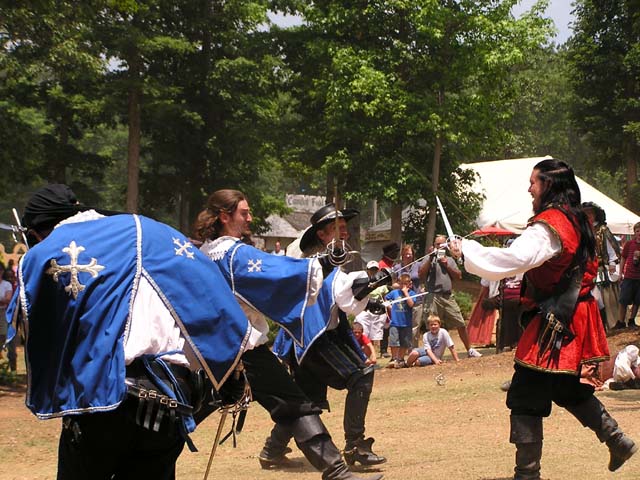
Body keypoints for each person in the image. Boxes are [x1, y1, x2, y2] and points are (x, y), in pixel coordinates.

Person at [5, 184, 251, 480]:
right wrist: (229, 372)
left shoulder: (48, 250)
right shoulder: (152, 231)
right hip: (167, 401)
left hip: (100, 403)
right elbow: (212, 295)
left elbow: (33, 329)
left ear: (36, 232)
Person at [450, 159, 637, 479]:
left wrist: (466, 250)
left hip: (557, 319)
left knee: (524, 396)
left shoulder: (552, 224)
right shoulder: (575, 219)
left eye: (533, 182)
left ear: (548, 185)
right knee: (566, 389)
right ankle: (617, 440)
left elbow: (515, 258)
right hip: (568, 315)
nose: (529, 189)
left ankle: (527, 475)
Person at [195, 190, 384, 480]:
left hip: (209, 349)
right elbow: (277, 273)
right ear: (224, 216)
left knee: (187, 412)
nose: (250, 218)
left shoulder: (204, 253)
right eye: (244, 213)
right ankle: (336, 471)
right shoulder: (234, 254)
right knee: (296, 406)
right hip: (243, 349)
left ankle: (334, 470)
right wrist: (324, 264)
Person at [273, 203, 388, 469]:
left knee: (305, 402)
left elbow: (337, 298)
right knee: (361, 376)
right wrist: (366, 286)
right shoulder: (314, 260)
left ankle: (272, 449)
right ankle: (355, 446)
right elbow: (339, 291)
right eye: (338, 228)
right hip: (315, 339)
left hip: (310, 339)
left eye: (345, 227)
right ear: (322, 235)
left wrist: (367, 299)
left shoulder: (330, 260)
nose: (344, 233)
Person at [418, 235, 483, 358]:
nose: (439, 247)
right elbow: (420, 275)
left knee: (460, 322)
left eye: (442, 244)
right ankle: (432, 355)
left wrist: (446, 265)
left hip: (447, 296)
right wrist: (430, 258)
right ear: (434, 245)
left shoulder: (450, 259)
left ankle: (469, 350)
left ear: (446, 246)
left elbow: (458, 276)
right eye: (437, 244)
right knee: (431, 324)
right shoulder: (428, 258)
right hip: (433, 296)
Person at [582, 202, 622, 330]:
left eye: (590, 213)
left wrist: (612, 263)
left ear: (595, 215)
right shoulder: (582, 230)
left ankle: (608, 324)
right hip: (586, 269)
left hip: (602, 269)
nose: (588, 215)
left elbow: (611, 248)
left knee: (605, 299)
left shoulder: (602, 230)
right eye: (585, 213)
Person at [354, 261, 389, 357]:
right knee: (363, 334)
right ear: (367, 270)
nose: (373, 271)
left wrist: (387, 308)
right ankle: (361, 357)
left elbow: (384, 297)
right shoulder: (362, 282)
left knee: (373, 336)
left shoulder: (382, 283)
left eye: (375, 270)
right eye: (371, 269)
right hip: (364, 310)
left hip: (377, 311)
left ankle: (370, 357)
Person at [384, 273, 415, 368]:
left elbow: (411, 304)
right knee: (393, 341)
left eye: (405, 284)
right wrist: (389, 306)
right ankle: (394, 358)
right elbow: (386, 298)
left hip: (406, 323)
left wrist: (406, 293)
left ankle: (400, 359)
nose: (403, 286)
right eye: (401, 283)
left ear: (409, 284)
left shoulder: (412, 293)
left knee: (404, 342)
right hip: (395, 322)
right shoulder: (394, 292)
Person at [618, 221, 640, 329]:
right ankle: (620, 322)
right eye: (637, 231)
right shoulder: (629, 244)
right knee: (624, 299)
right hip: (629, 276)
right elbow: (623, 258)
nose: (639, 233)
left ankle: (632, 321)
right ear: (634, 232)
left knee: (637, 300)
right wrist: (620, 273)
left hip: (639, 278)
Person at [0, 264, 13, 367]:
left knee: (3, 335)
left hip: (3, 312)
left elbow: (8, 299)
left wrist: (3, 300)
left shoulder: (7, 284)